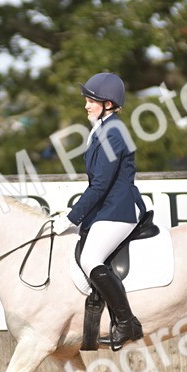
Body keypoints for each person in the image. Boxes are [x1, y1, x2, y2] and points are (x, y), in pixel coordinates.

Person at [49, 72, 145, 349]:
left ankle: (127, 324)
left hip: (119, 211)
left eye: (92, 100)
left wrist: (72, 217)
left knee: (91, 259)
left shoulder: (114, 132)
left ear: (109, 103)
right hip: (105, 210)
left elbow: (101, 184)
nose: (86, 105)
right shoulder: (102, 128)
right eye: (87, 99)